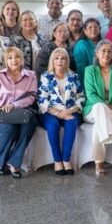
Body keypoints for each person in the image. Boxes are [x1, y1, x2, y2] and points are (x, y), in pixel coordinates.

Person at [0, 47, 38, 179]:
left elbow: (31, 96)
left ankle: (14, 163)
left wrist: (13, 105)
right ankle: (1, 162)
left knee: (29, 127)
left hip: (24, 113)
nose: (14, 60)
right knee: (10, 130)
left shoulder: (31, 75)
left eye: (17, 57)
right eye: (10, 58)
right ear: (6, 61)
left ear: (22, 59)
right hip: (4, 114)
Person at [82, 40, 112, 175]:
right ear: (97, 53)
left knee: (100, 123)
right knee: (99, 107)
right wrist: (105, 106)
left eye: (110, 51)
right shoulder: (90, 70)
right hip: (91, 110)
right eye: (103, 50)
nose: (106, 54)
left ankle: (99, 162)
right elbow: (91, 95)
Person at [38, 48, 84, 176]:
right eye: (56, 58)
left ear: (67, 61)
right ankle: (57, 160)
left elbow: (81, 96)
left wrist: (71, 110)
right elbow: (41, 99)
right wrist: (58, 113)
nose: (59, 61)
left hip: (70, 110)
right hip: (50, 112)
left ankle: (66, 159)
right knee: (53, 125)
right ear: (52, 60)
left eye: (63, 58)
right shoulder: (46, 76)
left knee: (72, 123)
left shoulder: (73, 76)